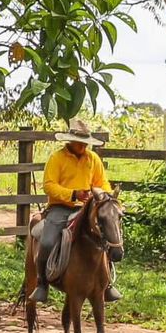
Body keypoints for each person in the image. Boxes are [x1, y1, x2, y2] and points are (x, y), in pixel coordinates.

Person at [33, 118, 119, 304]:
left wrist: (106, 196)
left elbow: (102, 182)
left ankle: (107, 283)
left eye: (85, 143)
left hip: (88, 208)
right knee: (47, 241)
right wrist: (73, 194)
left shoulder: (93, 159)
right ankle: (42, 282)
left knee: (106, 236)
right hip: (60, 207)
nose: (82, 146)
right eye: (79, 143)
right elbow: (49, 186)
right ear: (70, 141)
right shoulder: (57, 158)